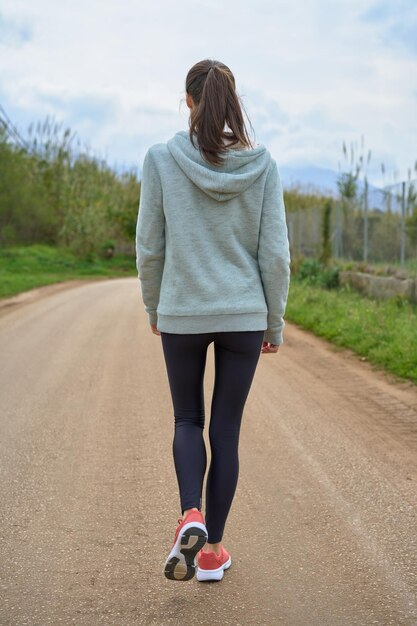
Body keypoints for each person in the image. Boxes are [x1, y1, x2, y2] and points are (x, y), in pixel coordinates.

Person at [135, 58, 291, 582]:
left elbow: (150, 247)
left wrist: (155, 306)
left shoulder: (160, 160)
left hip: (182, 312)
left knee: (186, 420)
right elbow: (276, 256)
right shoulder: (263, 165)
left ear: (189, 101)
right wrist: (273, 323)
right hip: (244, 315)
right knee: (226, 432)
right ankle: (211, 554)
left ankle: (190, 514)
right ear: (231, 103)